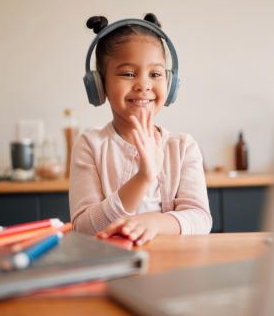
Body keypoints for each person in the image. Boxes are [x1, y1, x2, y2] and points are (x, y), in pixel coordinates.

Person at [69, 13, 212, 246]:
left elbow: (200, 219)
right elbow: (84, 228)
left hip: (170, 270)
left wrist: (154, 223)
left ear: (170, 82)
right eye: (128, 74)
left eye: (155, 74)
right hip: (110, 266)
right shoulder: (89, 146)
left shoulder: (183, 147)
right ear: (99, 85)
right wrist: (144, 178)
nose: (144, 85)